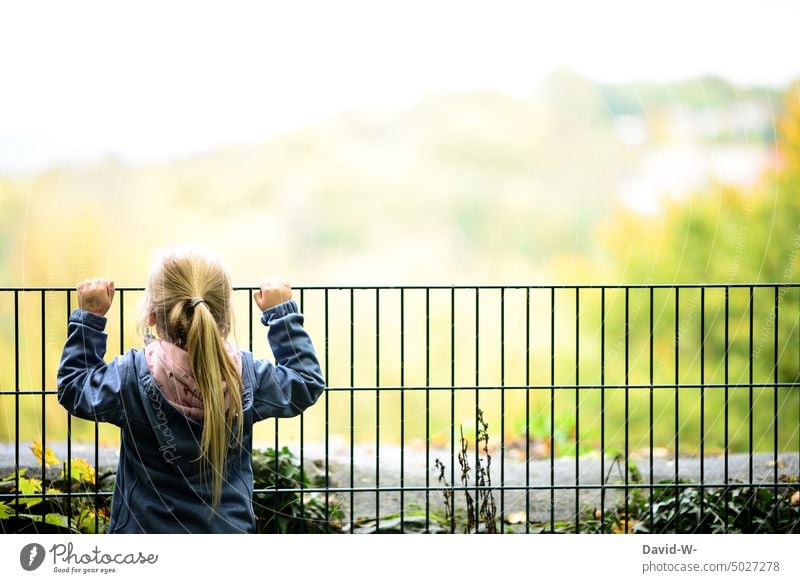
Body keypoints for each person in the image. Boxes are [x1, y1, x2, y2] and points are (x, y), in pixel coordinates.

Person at [56, 248, 326, 533]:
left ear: (151, 315)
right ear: (223, 316)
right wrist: (281, 315)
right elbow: (305, 381)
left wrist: (90, 318)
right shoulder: (246, 376)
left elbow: (74, 388)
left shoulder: (130, 377)